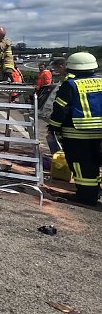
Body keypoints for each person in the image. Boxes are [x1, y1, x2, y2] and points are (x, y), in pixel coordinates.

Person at [48, 52, 102, 206]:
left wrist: (53, 127)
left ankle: (87, 197)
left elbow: (60, 109)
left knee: (83, 167)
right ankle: (93, 192)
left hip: (78, 133)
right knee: (96, 162)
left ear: (71, 67)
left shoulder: (70, 84)